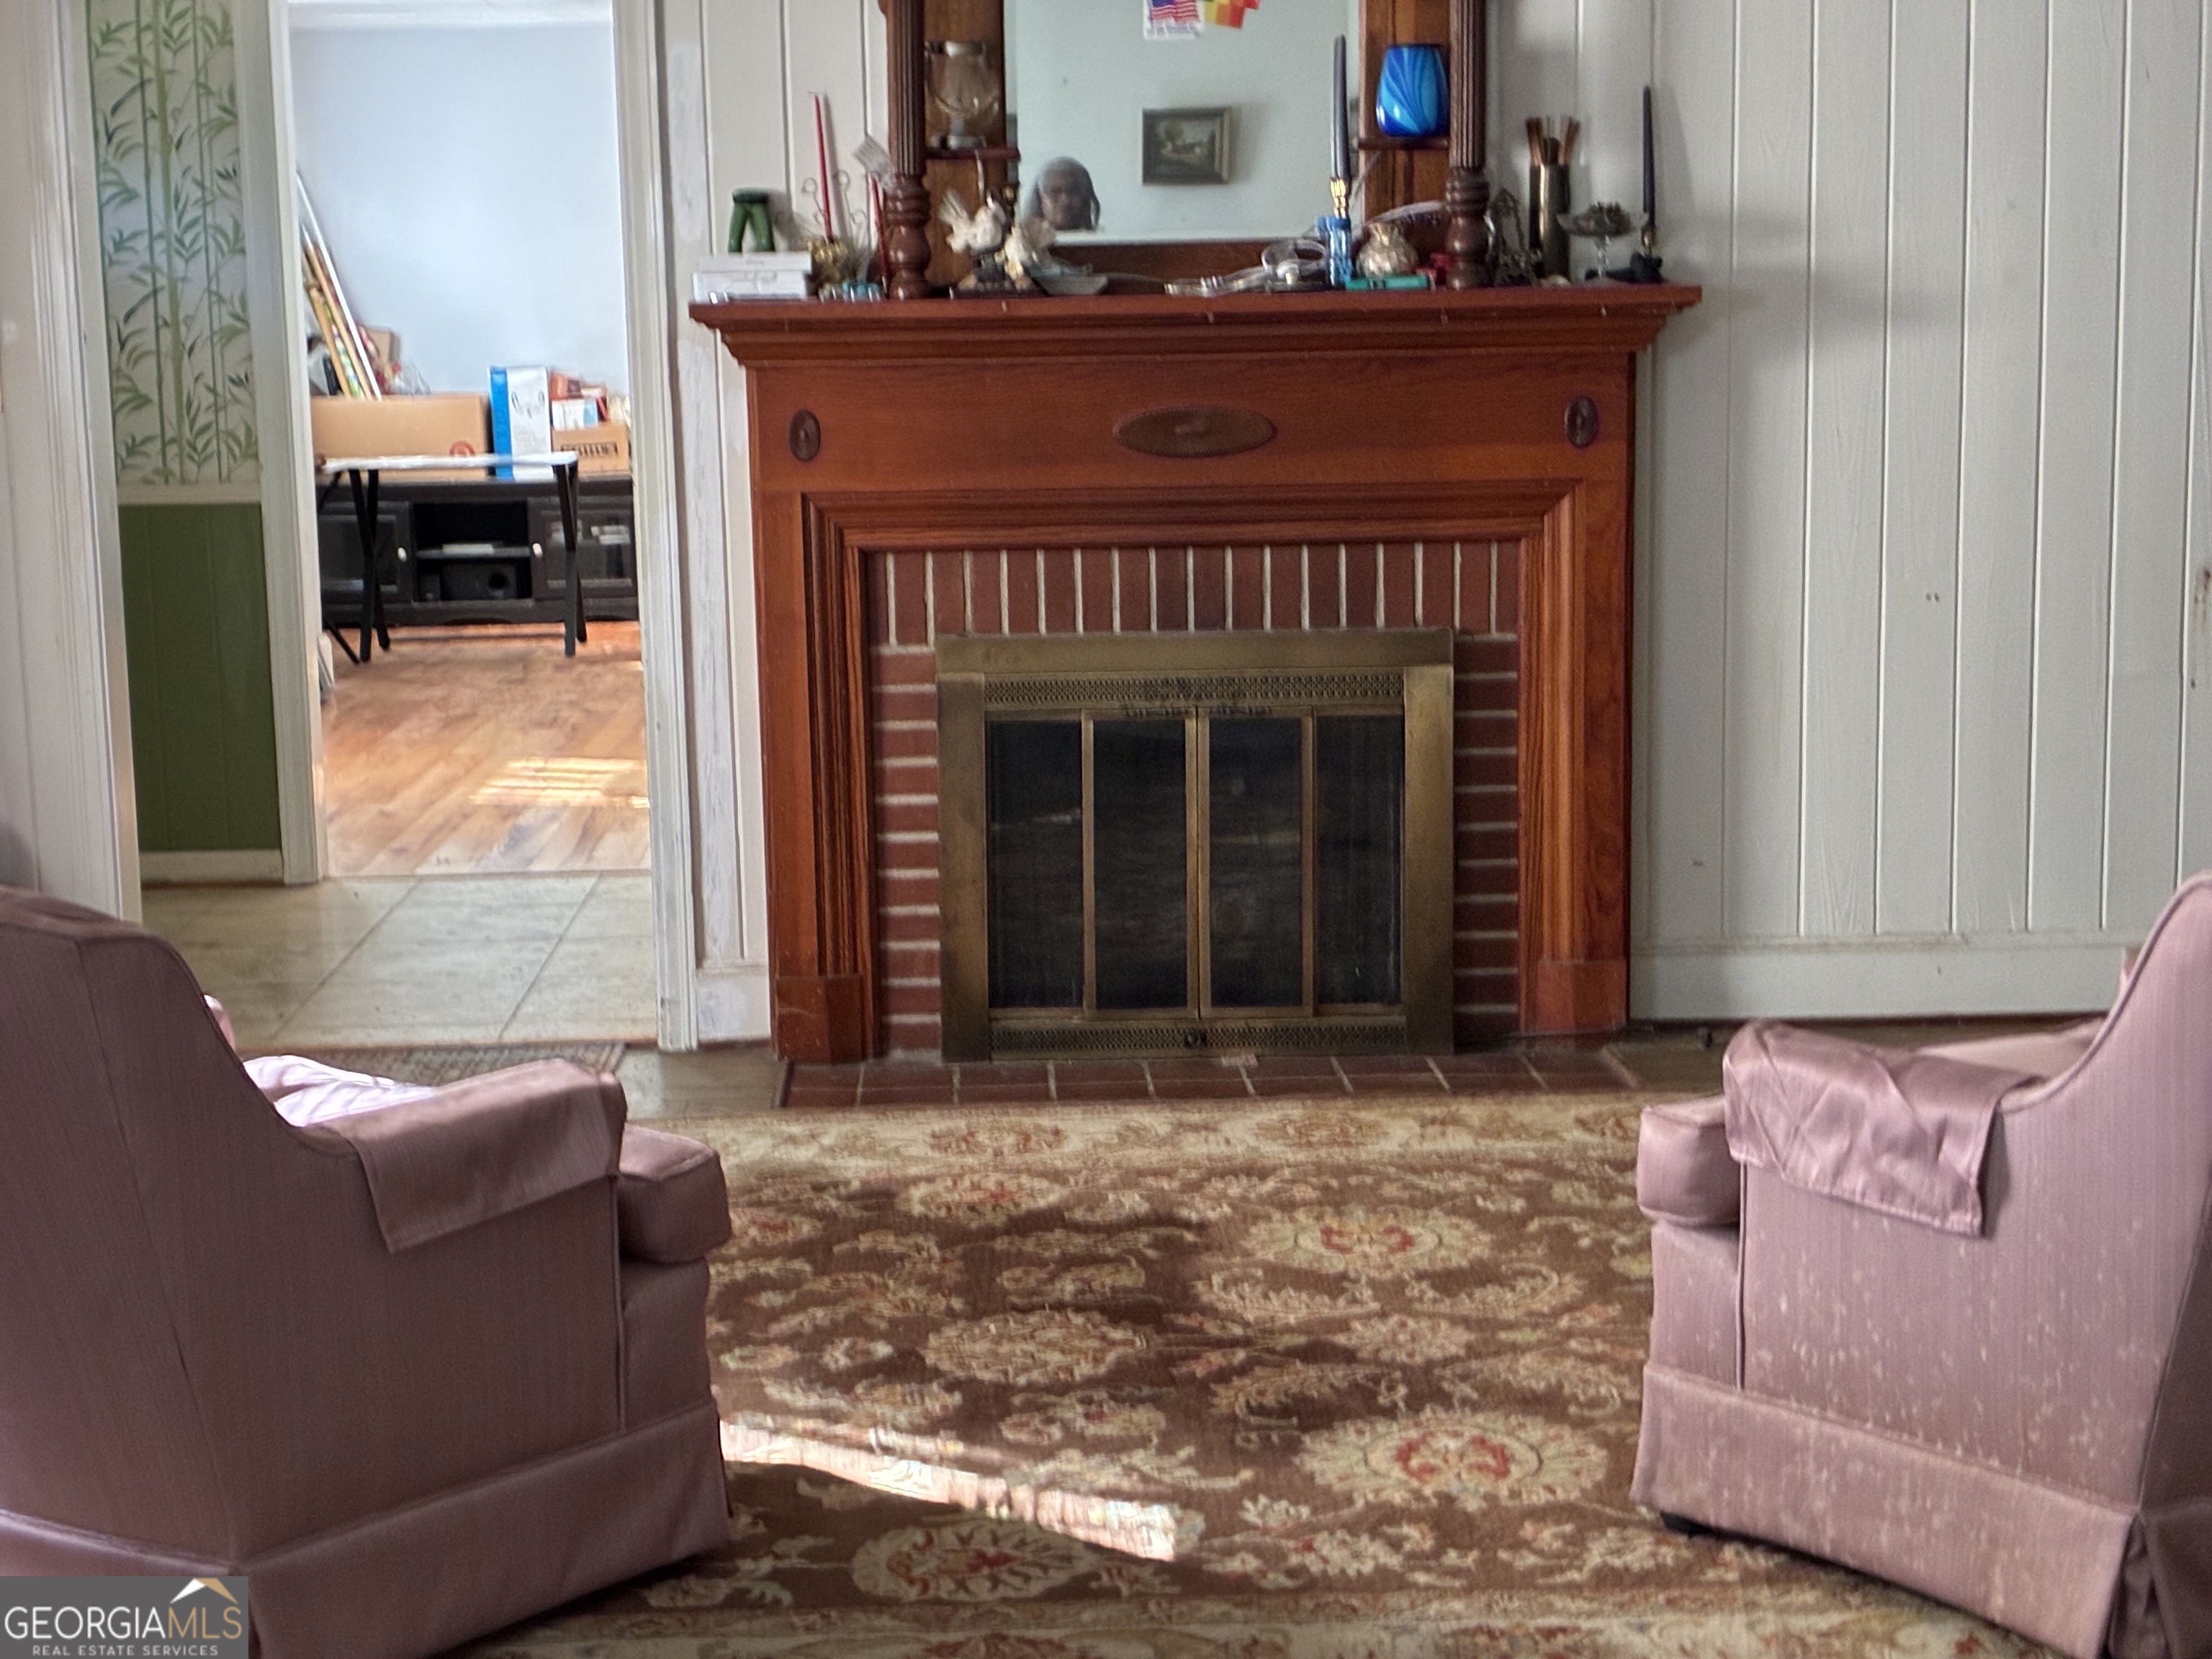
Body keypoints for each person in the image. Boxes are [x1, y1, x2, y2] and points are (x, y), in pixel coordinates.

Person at [1022, 157, 1101, 233]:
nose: (1065, 200)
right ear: (1039, 197)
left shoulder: (1101, 240)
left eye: (1073, 191)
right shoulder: (1020, 241)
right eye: (1054, 191)